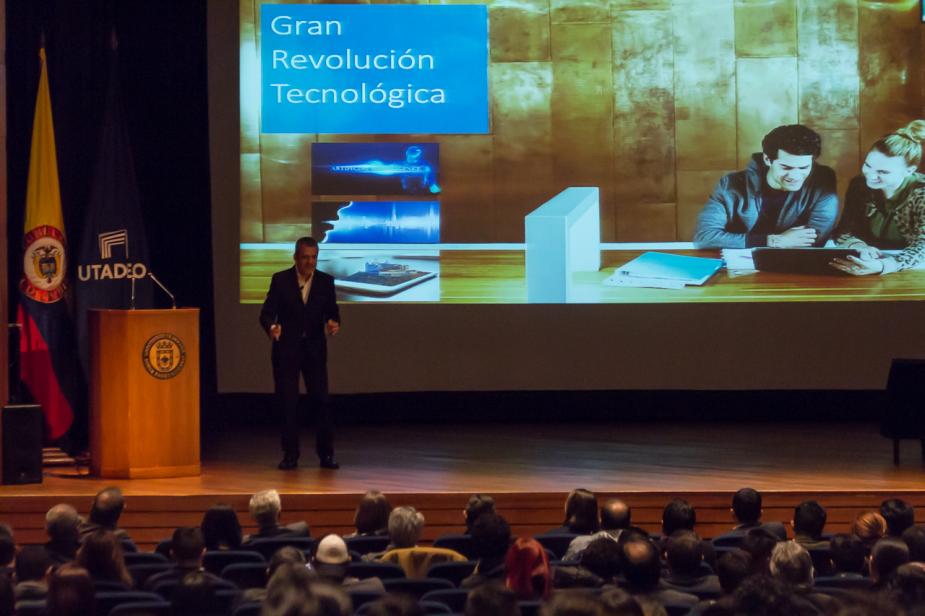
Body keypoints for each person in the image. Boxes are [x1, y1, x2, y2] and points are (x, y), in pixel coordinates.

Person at [259, 236, 341, 471]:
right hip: (287, 350)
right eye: (305, 257)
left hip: (314, 350)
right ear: (295, 257)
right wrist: (271, 327)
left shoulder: (325, 282)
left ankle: (326, 454)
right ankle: (290, 455)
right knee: (288, 402)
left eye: (314, 257)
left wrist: (333, 322)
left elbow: (332, 312)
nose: (310, 262)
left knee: (322, 401)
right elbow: (266, 313)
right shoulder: (281, 280)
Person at [693, 124, 837, 248]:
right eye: (786, 167)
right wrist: (775, 241)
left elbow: (814, 241)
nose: (795, 176)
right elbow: (704, 237)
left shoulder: (823, 184)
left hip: (793, 264)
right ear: (767, 159)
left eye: (803, 168)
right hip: (737, 264)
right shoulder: (731, 184)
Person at [833, 120, 925, 275]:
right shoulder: (859, 185)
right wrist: (858, 246)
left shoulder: (922, 192)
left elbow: (923, 246)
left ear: (909, 171)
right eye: (868, 166)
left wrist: (884, 265)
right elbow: (843, 231)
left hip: (911, 268)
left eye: (883, 172)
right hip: (867, 263)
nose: (870, 176)